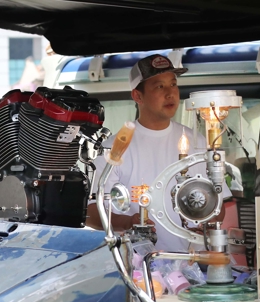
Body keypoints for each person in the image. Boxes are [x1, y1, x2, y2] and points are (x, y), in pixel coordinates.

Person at [87, 54, 213, 252]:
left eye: (173, 84)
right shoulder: (115, 147)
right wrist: (128, 223)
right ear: (138, 96)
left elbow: (219, 203)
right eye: (160, 86)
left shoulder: (196, 142)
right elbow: (91, 211)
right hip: (136, 264)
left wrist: (207, 221)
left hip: (191, 261)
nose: (170, 93)